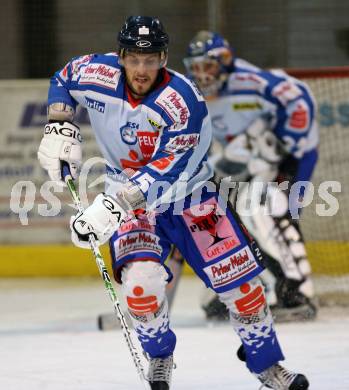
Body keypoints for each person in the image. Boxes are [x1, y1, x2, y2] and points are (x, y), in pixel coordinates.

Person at [38, 16, 310, 390]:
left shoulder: (183, 100)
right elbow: (63, 78)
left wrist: (113, 206)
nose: (142, 68)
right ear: (120, 56)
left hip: (192, 197)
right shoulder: (95, 72)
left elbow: (169, 167)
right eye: (133, 58)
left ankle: (267, 367)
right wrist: (59, 123)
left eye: (151, 59)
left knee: (245, 292)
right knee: (141, 289)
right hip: (132, 202)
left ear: (164, 58)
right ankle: (160, 355)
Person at [182, 31, 319, 322]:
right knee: (231, 213)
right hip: (250, 160)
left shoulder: (250, 81)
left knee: (264, 208)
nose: (203, 75)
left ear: (225, 61)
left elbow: (299, 98)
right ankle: (249, 284)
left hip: (288, 158)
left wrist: (287, 142)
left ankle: (297, 290)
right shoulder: (195, 97)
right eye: (196, 68)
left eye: (208, 66)